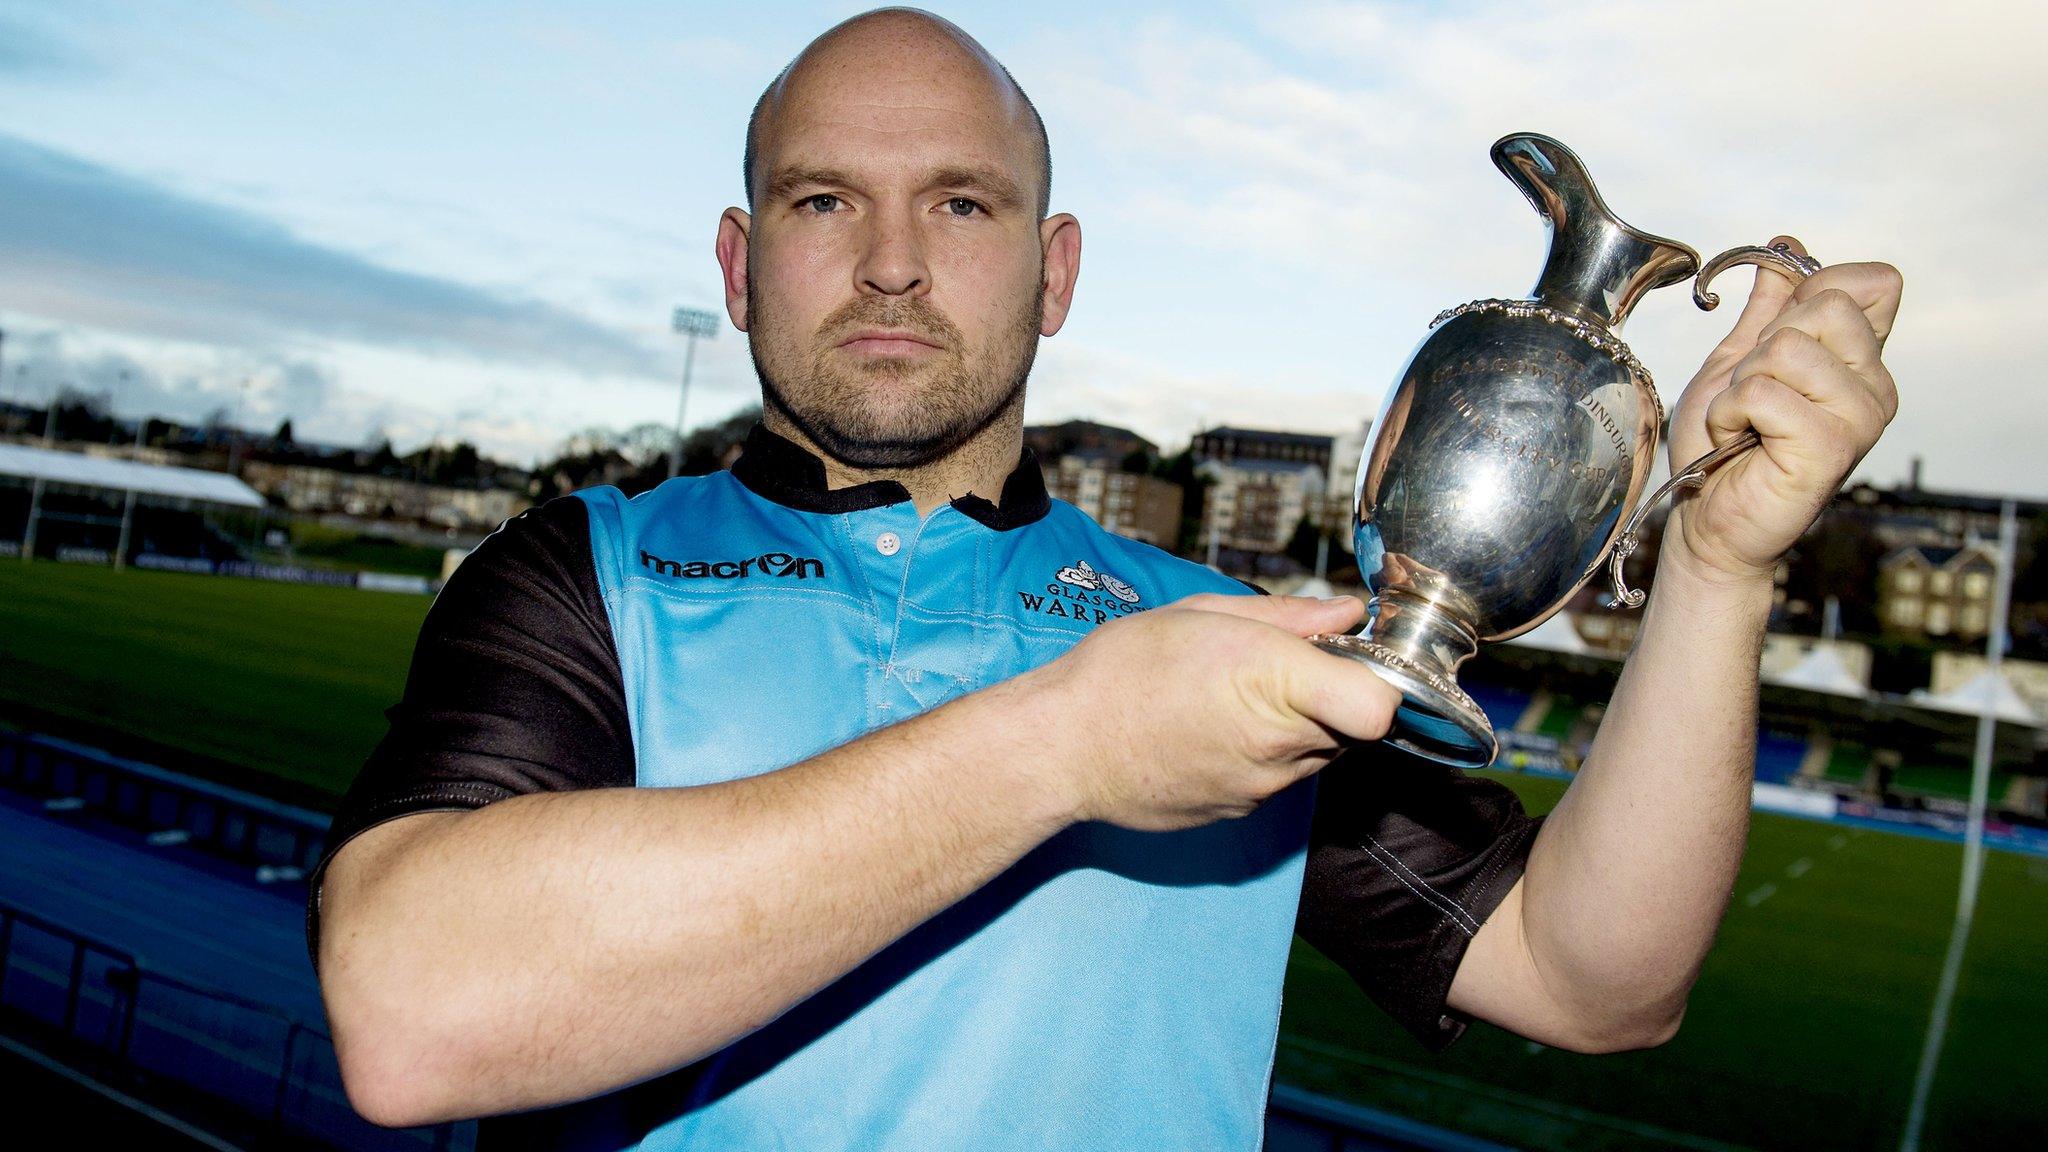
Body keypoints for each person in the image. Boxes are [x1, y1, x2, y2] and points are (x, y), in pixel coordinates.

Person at [306, 8, 1903, 1149]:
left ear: (1054, 269)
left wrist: (1712, 567)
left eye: (961, 202)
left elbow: (1590, 977)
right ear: (737, 265)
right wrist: (1067, 747)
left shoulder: (1209, 646)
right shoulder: (584, 568)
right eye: (822, 201)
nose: (889, 262)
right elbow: (411, 1014)